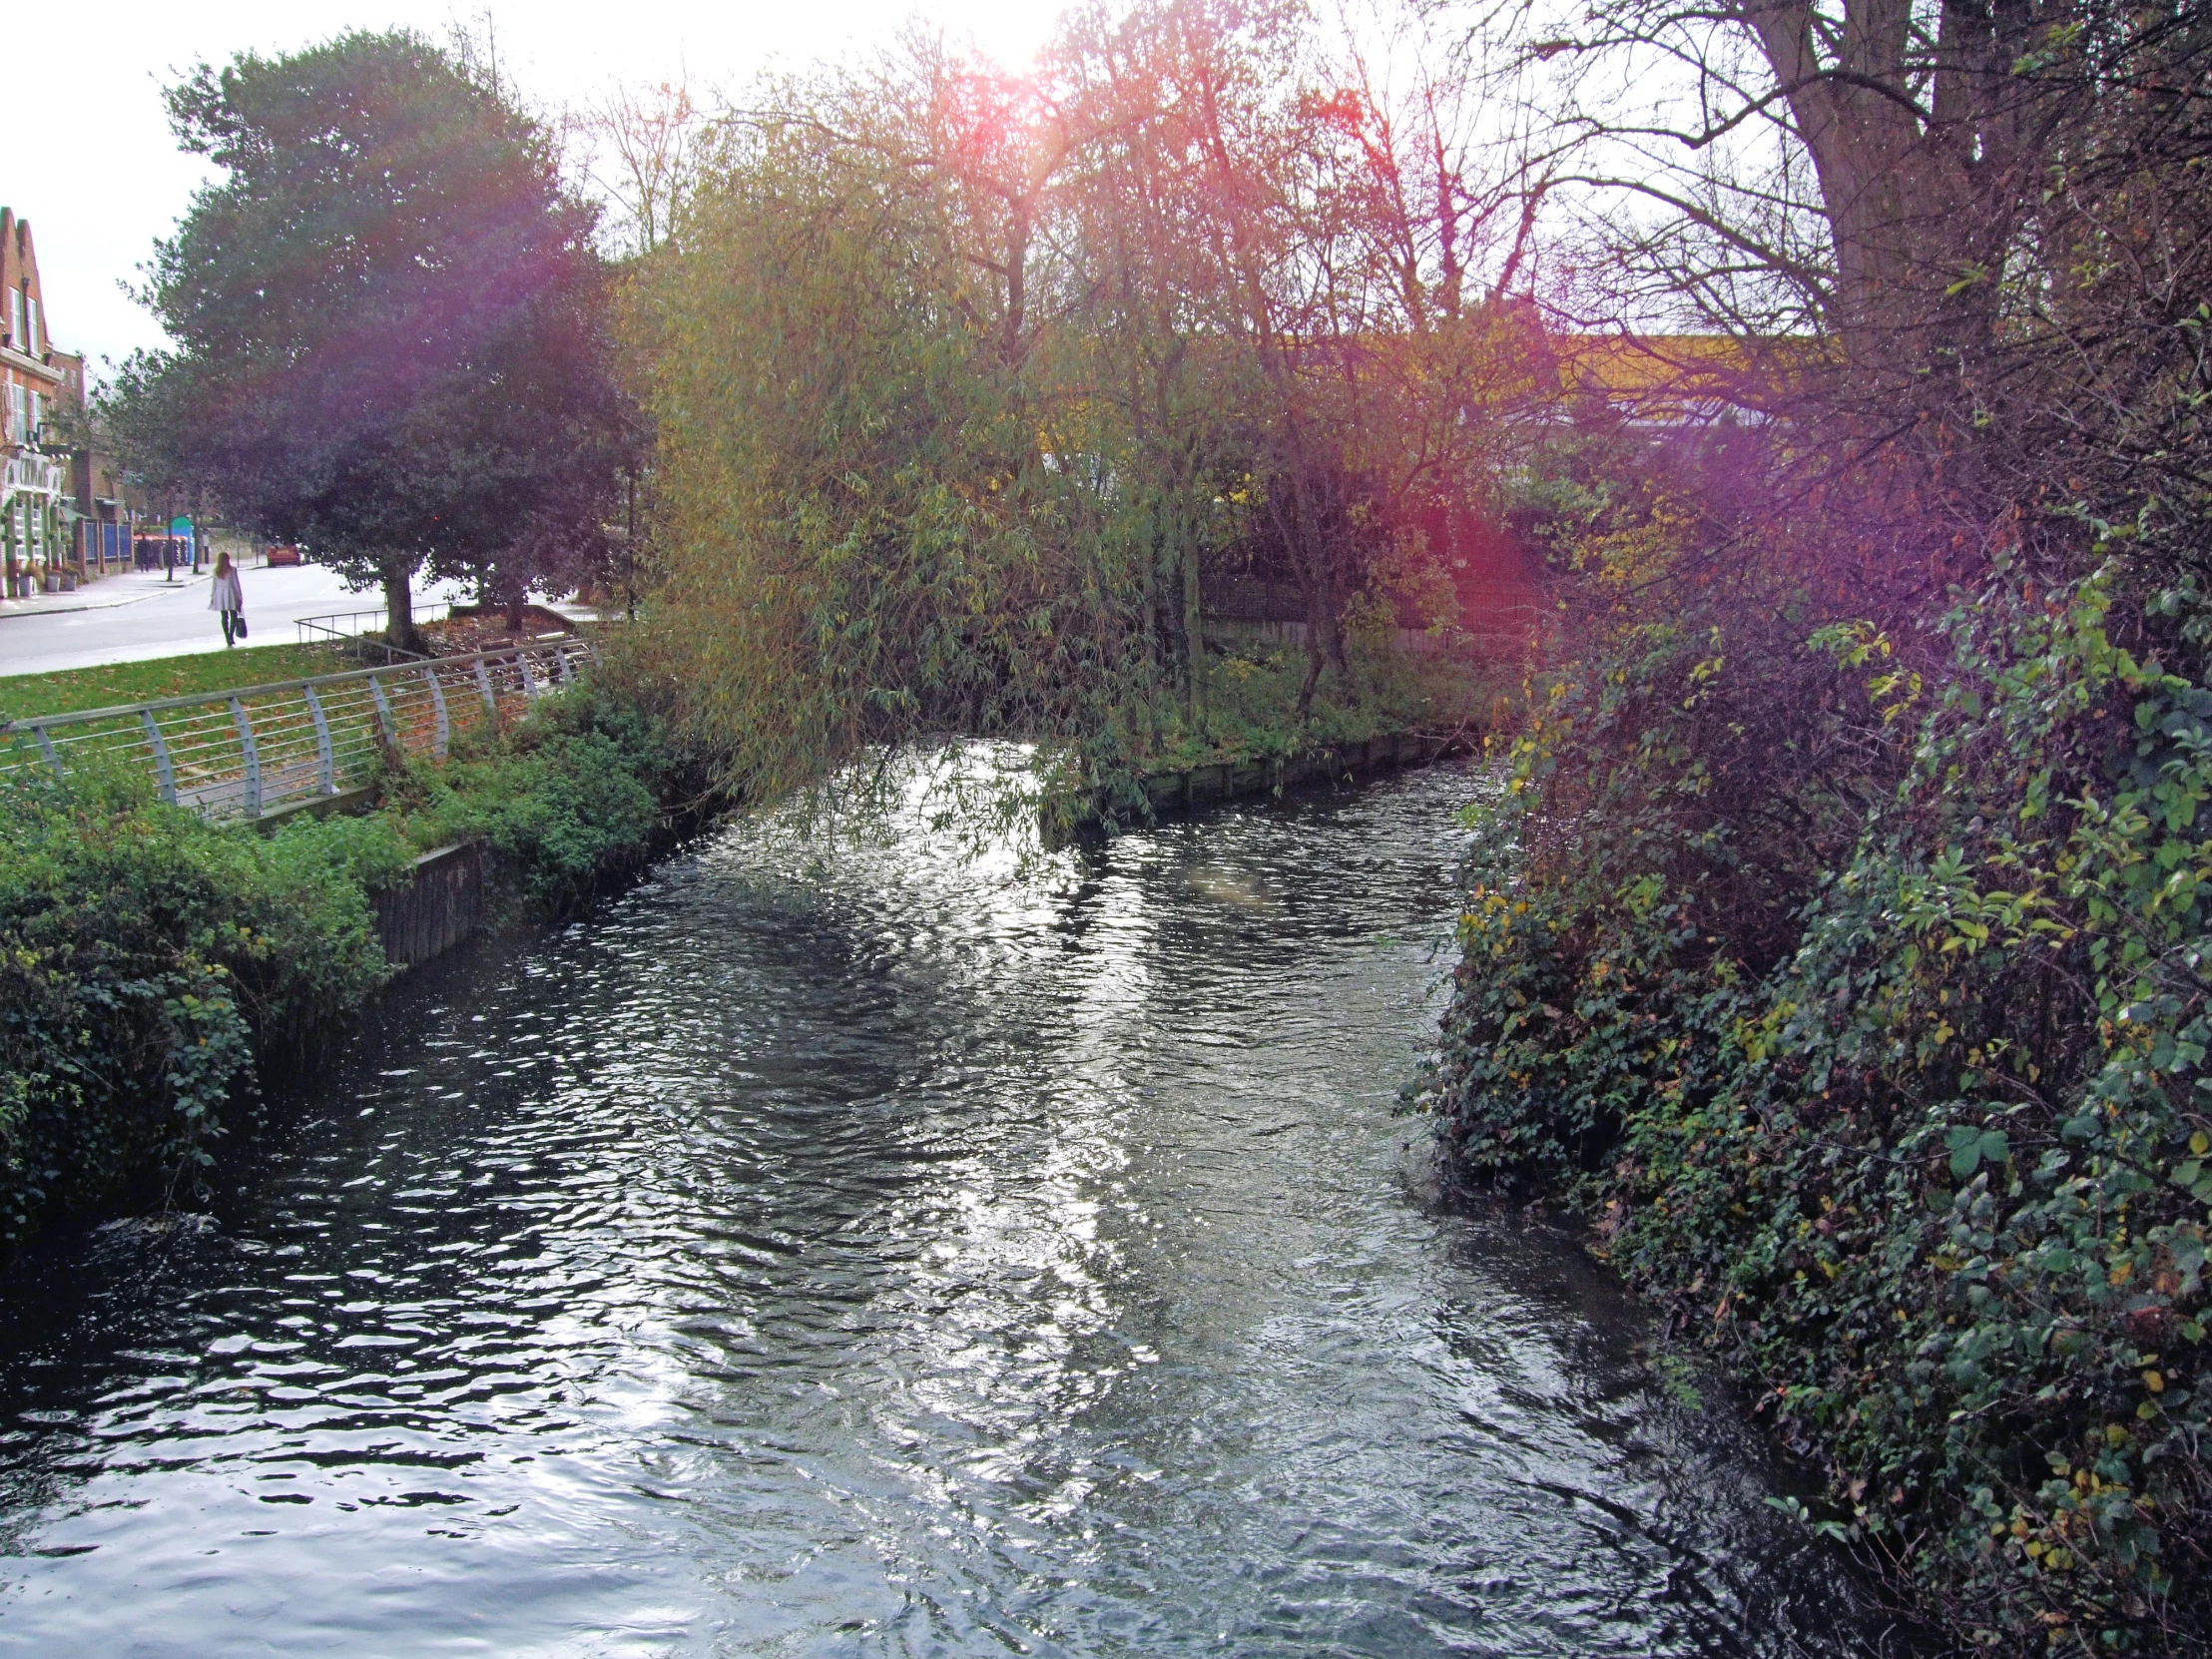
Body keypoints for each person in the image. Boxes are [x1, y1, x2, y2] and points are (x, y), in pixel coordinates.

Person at [209, 551, 247, 646]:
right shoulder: (232, 570)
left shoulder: (216, 570)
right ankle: (230, 636)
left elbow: (214, 585)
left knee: (224, 617)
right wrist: (240, 596)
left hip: (220, 594)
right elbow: (236, 584)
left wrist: (212, 597)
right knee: (233, 615)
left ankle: (227, 636)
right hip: (230, 593)